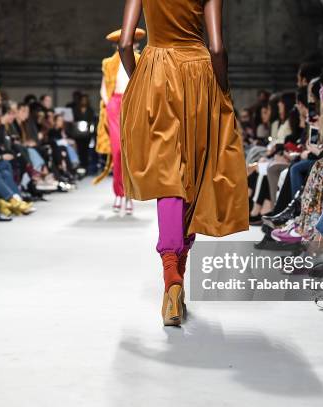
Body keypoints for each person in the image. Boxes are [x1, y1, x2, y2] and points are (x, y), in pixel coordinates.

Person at [119, 0, 249, 326]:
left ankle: (171, 279)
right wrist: (223, 90)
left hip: (156, 71)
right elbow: (217, 48)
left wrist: (142, 82)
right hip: (199, 75)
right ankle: (177, 278)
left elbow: (124, 44)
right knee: (196, 176)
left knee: (168, 175)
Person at [93, 28, 146, 215]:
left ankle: (129, 196)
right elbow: (103, 87)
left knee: (129, 153)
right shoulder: (108, 63)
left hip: (132, 104)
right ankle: (119, 194)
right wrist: (108, 105)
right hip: (115, 105)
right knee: (117, 152)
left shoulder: (140, 60)